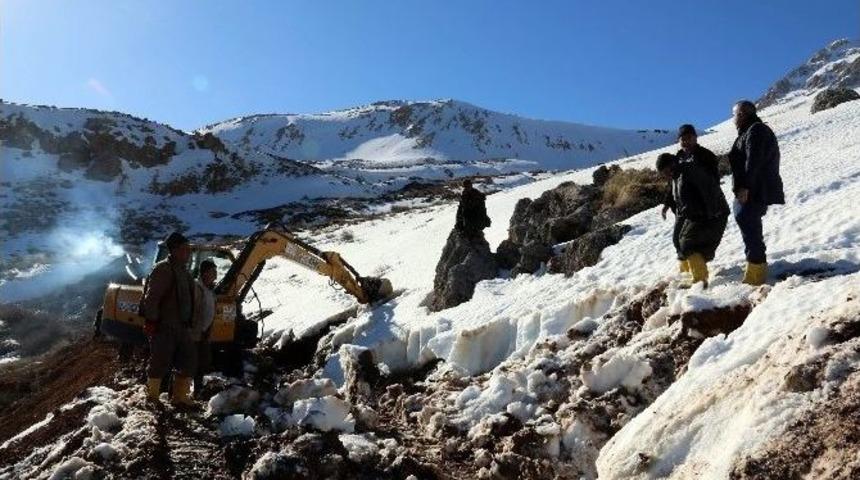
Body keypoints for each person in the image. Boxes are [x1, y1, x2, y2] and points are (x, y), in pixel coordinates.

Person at [729, 100, 785, 285]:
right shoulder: (748, 131)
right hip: (752, 187)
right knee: (746, 221)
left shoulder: (756, 130)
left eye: (735, 114)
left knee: (748, 220)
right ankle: (755, 267)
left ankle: (756, 272)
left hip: (755, 188)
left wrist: (745, 187)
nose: (733, 119)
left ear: (743, 113)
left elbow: (753, 160)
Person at [657, 152, 729, 287]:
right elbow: (676, 194)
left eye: (665, 171)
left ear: (672, 165)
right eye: (663, 173)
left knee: (688, 243)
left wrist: (711, 214)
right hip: (694, 214)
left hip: (711, 213)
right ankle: (686, 273)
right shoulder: (677, 174)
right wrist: (668, 205)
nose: (665, 175)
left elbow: (709, 190)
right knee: (678, 240)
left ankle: (700, 281)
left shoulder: (689, 171)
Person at [142, 232, 196, 405]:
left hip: (182, 326)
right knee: (159, 361)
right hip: (164, 325)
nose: (188, 253)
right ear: (173, 250)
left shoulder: (185, 272)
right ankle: (152, 397)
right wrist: (151, 321)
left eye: (189, 249)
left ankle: (179, 397)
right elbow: (153, 297)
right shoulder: (163, 269)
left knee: (187, 360)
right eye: (184, 249)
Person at [661, 124, 720, 221]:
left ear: (695, 138)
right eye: (682, 139)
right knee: (677, 237)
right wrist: (667, 203)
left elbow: (713, 183)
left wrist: (709, 209)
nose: (685, 142)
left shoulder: (706, 156)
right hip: (682, 211)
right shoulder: (677, 158)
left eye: (689, 138)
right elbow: (673, 184)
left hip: (701, 211)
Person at [192, 259, 217, 398]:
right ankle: (176, 393)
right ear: (205, 273)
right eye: (213, 271)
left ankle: (197, 390)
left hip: (205, 332)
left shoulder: (210, 289)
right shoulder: (197, 288)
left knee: (202, 363)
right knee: (189, 363)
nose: (216, 274)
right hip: (195, 333)